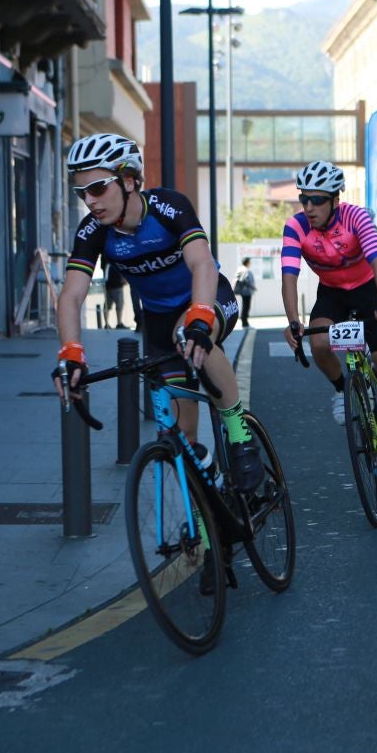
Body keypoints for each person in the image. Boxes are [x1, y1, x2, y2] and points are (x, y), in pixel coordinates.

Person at [54, 133, 264, 492]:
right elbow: (71, 296)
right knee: (182, 438)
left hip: (207, 297)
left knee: (187, 333)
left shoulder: (169, 207)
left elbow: (201, 263)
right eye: (81, 192)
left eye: (98, 188)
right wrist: (71, 353)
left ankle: (238, 431)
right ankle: (210, 500)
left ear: (129, 180)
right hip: (159, 321)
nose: (90, 201)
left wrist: (200, 316)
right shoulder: (93, 232)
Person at [279, 160, 377, 424]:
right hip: (332, 292)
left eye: (317, 200)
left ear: (335, 201)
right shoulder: (296, 226)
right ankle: (341, 389)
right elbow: (289, 276)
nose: (309, 207)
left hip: (368, 288)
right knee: (319, 344)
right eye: (304, 199)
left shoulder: (356, 217)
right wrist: (293, 321)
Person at [103, 262, 127, 329]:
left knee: (107, 306)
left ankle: (107, 324)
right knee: (119, 305)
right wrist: (124, 279)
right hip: (117, 285)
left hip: (108, 286)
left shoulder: (106, 263)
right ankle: (119, 323)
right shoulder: (116, 262)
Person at [234, 256, 256, 327]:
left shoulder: (240, 269)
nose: (250, 263)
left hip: (243, 291)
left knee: (245, 306)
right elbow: (245, 280)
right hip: (246, 291)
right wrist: (252, 287)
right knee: (246, 306)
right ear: (247, 263)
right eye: (249, 262)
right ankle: (244, 321)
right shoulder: (246, 270)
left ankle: (244, 320)